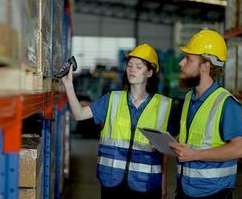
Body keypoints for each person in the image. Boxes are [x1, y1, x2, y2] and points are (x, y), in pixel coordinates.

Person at [62, 43, 173, 199]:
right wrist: (68, 85)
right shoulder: (112, 99)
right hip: (112, 182)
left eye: (139, 66)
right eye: (130, 65)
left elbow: (165, 153)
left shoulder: (163, 105)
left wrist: (163, 183)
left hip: (146, 185)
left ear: (149, 72)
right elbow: (79, 114)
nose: (132, 69)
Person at [169, 30, 242, 199]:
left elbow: (239, 149)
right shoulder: (189, 97)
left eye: (189, 59)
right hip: (184, 188)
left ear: (206, 66)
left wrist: (195, 155)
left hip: (214, 193)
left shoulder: (226, 103)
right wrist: (169, 143)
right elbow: (194, 139)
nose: (181, 64)